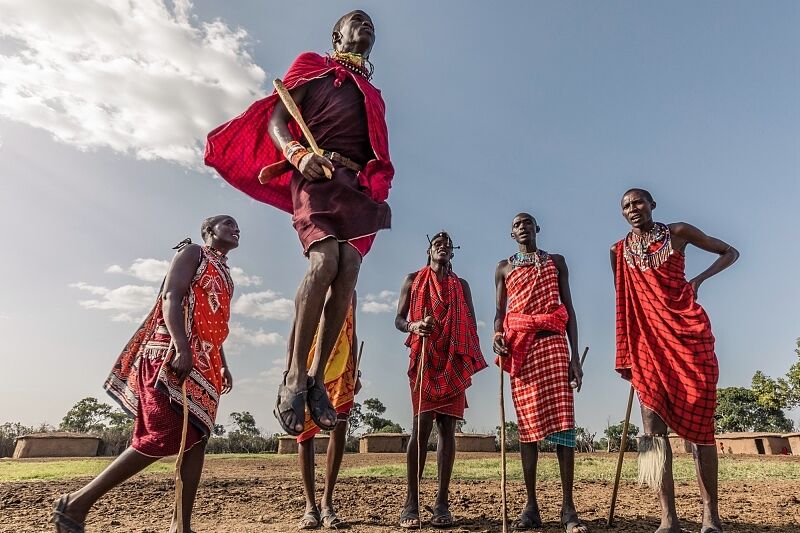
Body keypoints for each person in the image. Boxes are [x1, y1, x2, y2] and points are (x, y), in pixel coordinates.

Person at [205, 10, 393, 437]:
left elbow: (376, 148)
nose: (367, 27)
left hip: (355, 187)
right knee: (324, 260)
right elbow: (276, 119)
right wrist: (297, 154)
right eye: (358, 21)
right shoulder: (313, 66)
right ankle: (293, 375)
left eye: (373, 26)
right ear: (337, 34)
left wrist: (371, 186)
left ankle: (316, 379)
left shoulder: (373, 93)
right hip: (315, 174)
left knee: (349, 269)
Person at [51, 215, 240, 533]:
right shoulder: (193, 252)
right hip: (169, 354)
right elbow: (172, 297)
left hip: (204, 364)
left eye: (238, 227)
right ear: (208, 232)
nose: (236, 229)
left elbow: (211, 319)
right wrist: (181, 347)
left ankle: (181, 526)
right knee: (164, 434)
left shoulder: (226, 273)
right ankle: (76, 504)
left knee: (195, 441)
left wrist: (222, 361)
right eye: (227, 224)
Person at [612, 188, 739, 533]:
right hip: (648, 349)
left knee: (701, 429)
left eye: (638, 202)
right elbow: (626, 305)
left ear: (652, 205)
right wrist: (631, 349)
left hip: (687, 337)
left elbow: (730, 251)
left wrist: (698, 279)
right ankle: (668, 518)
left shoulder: (678, 233)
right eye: (626, 206)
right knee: (653, 434)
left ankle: (710, 515)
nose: (633, 208)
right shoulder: (619, 251)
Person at [493, 213, 587, 533]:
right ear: (511, 233)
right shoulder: (503, 268)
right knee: (528, 430)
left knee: (564, 428)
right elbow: (499, 315)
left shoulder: (556, 262)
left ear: (537, 229)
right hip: (522, 352)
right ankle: (531, 506)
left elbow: (569, 309)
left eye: (527, 222)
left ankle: (568, 508)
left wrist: (575, 357)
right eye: (517, 224)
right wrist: (496, 337)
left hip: (554, 346)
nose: (522, 227)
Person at [394, 231, 487, 528]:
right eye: (438, 245)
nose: (443, 249)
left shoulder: (462, 286)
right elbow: (399, 320)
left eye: (448, 246)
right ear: (429, 250)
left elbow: (470, 322)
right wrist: (416, 325)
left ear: (453, 253)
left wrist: (457, 341)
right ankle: (411, 503)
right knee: (420, 428)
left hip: (453, 359)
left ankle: (442, 503)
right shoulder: (412, 280)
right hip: (425, 359)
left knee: (447, 430)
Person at [297, 293, 361, 530]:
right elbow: (298, 327)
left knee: (339, 426)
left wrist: (355, 368)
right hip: (309, 362)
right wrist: (293, 370)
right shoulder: (312, 284)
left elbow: (352, 331)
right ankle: (309, 506)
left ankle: (327, 503)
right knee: (305, 432)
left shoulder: (350, 291)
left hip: (342, 363)